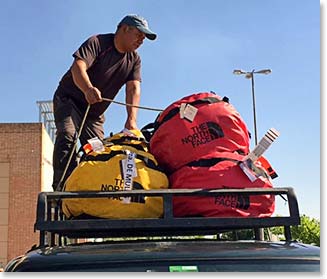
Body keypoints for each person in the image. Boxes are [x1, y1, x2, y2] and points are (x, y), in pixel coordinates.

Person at [52, 14, 157, 191]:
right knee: (68, 137)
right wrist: (87, 89)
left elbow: (133, 89)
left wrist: (131, 120)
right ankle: (62, 190)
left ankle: (89, 191)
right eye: (139, 35)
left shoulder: (134, 60)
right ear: (125, 29)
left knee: (98, 151)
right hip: (69, 100)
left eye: (144, 38)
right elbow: (78, 66)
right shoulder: (98, 43)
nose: (141, 41)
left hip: (94, 114)